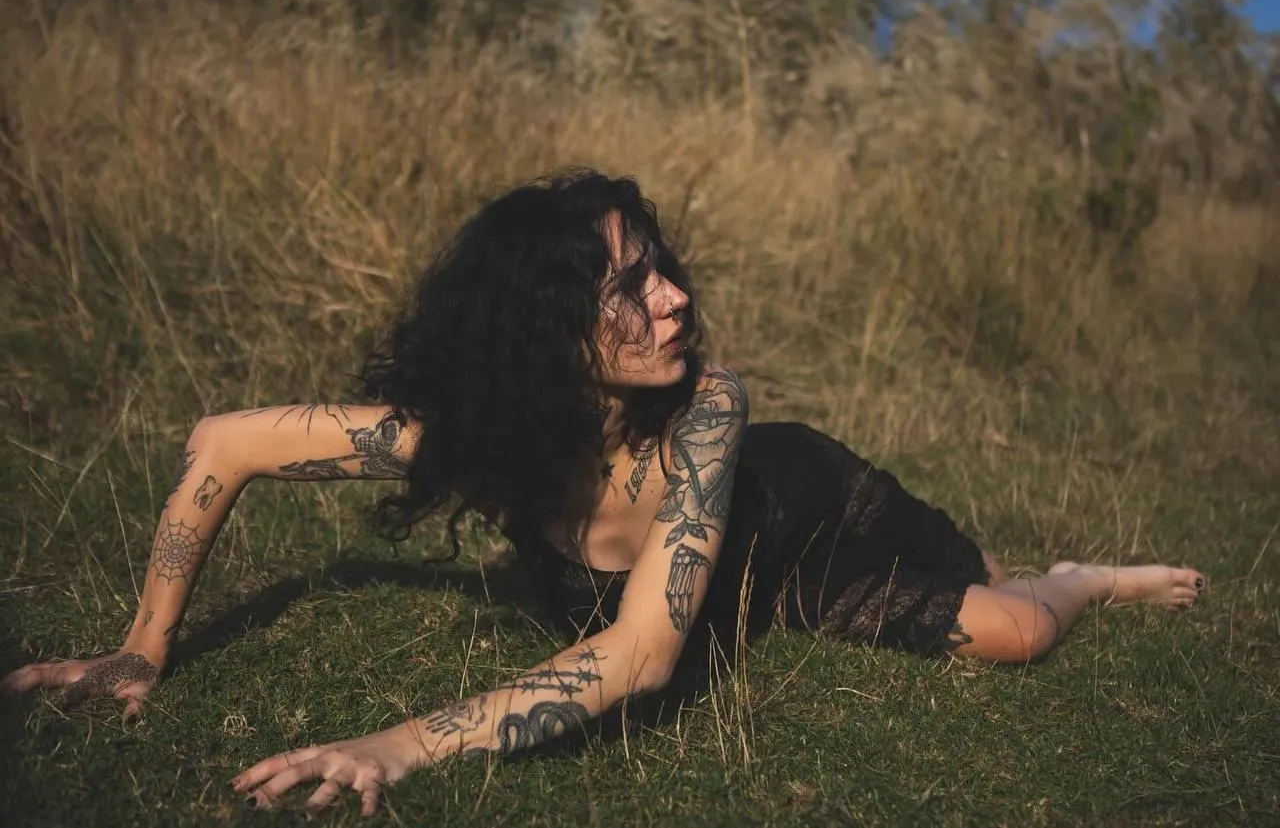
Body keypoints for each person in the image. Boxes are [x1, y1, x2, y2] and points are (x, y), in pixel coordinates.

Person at [2, 170, 1205, 816]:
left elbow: (637, 659)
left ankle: (1084, 573)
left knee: (1004, 622)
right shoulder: (472, 437)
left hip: (815, 518)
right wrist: (141, 647)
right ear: (542, 332)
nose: (673, 300)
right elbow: (223, 443)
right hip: (726, 576)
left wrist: (393, 744)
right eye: (628, 288)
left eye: (661, 271)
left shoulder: (709, 412)